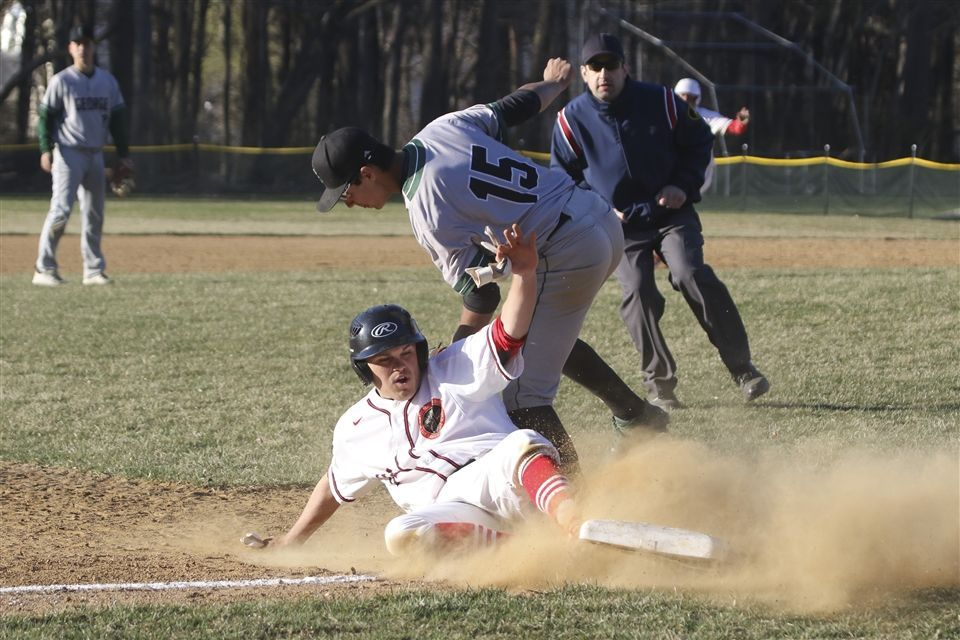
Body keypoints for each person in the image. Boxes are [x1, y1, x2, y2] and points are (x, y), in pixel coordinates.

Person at [309, 57, 666, 474]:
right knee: (537, 332)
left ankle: (574, 499)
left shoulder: (424, 206)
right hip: (597, 216)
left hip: (566, 249)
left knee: (517, 393)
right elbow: (513, 106)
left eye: (345, 192)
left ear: (367, 173)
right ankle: (636, 416)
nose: (349, 202)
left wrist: (458, 350)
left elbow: (481, 294)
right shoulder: (440, 128)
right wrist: (552, 85)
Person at [249, 225, 580, 555]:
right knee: (401, 533)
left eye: (406, 353)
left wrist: (524, 275)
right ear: (364, 369)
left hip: (496, 480)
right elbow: (333, 487)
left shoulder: (453, 369)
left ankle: (574, 524)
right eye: (384, 360)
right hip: (450, 512)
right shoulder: (356, 427)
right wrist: (291, 541)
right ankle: (533, 552)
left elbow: (509, 334)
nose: (399, 366)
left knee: (522, 443)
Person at [551, 33, 769, 410]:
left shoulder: (662, 101)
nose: (604, 74)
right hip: (619, 225)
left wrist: (682, 184)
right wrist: (598, 206)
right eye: (595, 67)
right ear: (584, 73)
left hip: (671, 213)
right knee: (637, 292)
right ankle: (660, 386)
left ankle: (743, 368)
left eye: (611, 65)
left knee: (690, 273)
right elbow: (563, 177)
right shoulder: (570, 120)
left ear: (625, 68)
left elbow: (699, 141)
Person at [33, 24, 132, 286]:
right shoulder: (62, 81)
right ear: (70, 48)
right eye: (77, 44)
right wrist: (45, 149)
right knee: (60, 211)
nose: (83, 48)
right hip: (68, 153)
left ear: (93, 47)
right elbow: (45, 117)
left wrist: (124, 154)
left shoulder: (107, 82)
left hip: (95, 153)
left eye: (87, 43)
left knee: (94, 213)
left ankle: (93, 270)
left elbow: (118, 120)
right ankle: (43, 268)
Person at [674, 77, 750, 191]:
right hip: (672, 169)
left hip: (696, 173)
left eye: (690, 97)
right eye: (682, 95)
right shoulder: (666, 114)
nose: (685, 99)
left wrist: (741, 123)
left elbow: (734, 127)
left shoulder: (706, 117)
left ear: (697, 98)